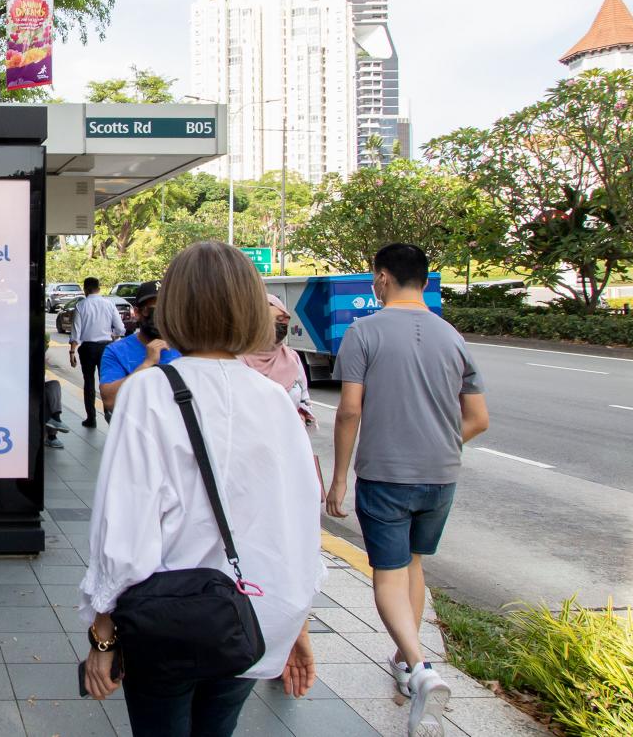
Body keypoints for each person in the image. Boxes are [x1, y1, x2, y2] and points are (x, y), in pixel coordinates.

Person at [79, 241, 325, 736]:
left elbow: (125, 527)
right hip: (252, 619)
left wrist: (103, 633)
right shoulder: (274, 399)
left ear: (174, 306)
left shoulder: (150, 391)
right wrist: (298, 622)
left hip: (166, 619)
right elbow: (298, 522)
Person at [325, 243, 489, 737]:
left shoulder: (364, 331)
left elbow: (350, 409)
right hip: (441, 474)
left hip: (386, 476)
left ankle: (420, 668)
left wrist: (338, 479)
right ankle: (404, 657)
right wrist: (438, 443)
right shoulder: (452, 336)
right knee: (415, 564)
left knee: (389, 574)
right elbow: (478, 419)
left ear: (381, 278)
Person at [240, 294, 322, 498]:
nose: (281, 327)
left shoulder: (292, 358)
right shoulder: (237, 361)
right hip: (252, 461)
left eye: (283, 321)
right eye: (274, 321)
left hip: (291, 454)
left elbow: (304, 401)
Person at [99, 280, 181, 413]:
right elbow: (110, 401)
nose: (161, 315)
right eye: (154, 309)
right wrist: (147, 364)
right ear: (137, 312)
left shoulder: (186, 348)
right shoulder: (116, 352)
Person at [69, 277, 124, 428]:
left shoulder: (81, 306)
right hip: (106, 348)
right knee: (106, 382)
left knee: (89, 383)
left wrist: (72, 352)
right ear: (99, 288)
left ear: (85, 289)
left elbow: (76, 332)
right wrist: (113, 335)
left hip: (87, 349)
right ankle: (109, 416)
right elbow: (120, 329)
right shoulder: (109, 304)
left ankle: (91, 418)